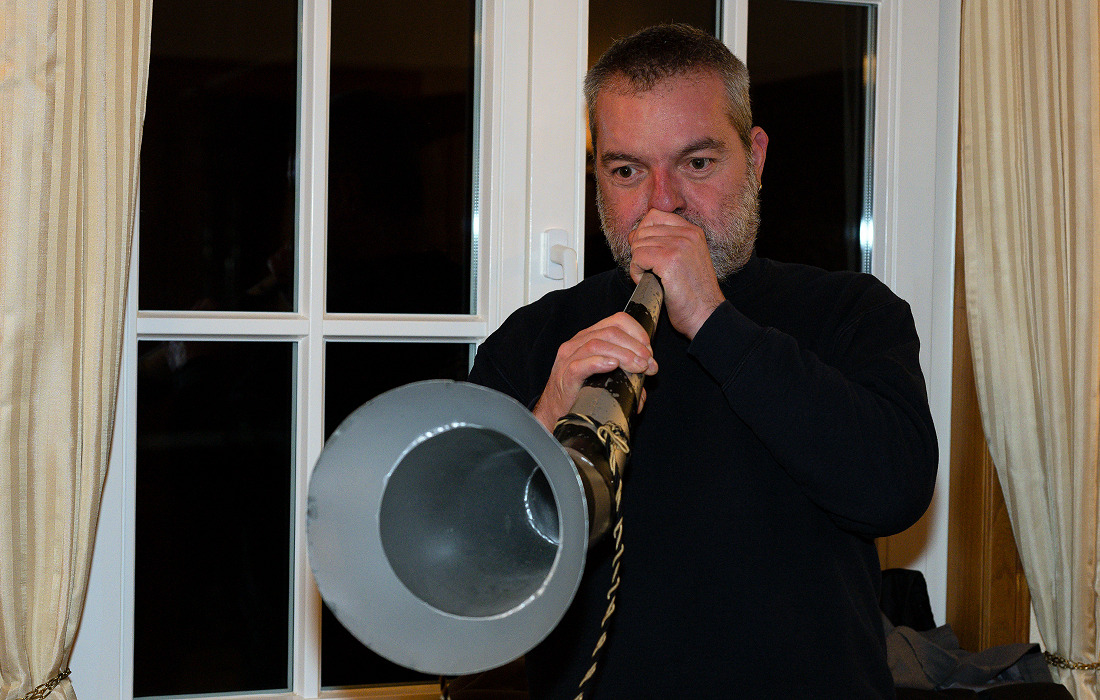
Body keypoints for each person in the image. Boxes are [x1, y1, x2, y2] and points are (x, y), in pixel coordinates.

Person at [467, 23, 937, 699]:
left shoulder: (851, 312)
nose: (663, 202)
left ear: (756, 157)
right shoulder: (540, 340)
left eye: (697, 163)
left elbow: (894, 491)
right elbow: (469, 566)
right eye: (627, 171)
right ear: (599, 178)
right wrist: (544, 422)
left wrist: (713, 320)